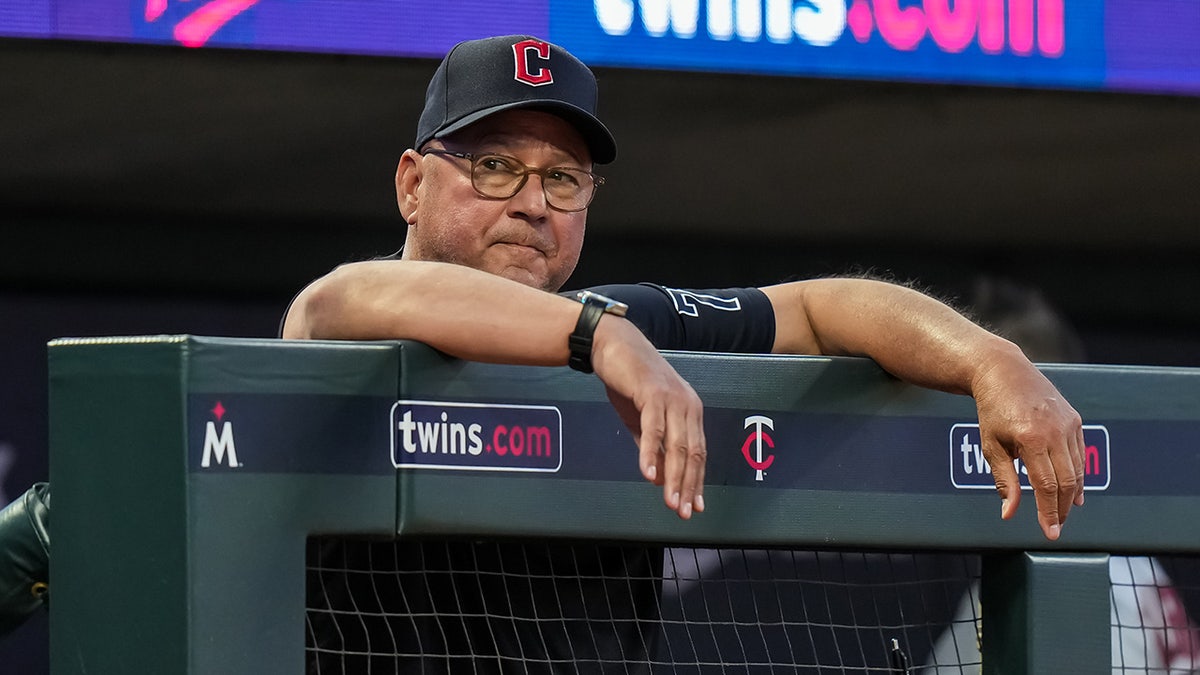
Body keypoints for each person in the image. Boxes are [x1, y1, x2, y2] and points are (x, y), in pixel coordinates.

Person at [282, 34, 1085, 673]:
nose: (533, 203)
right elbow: (339, 298)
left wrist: (992, 360)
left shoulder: (625, 317)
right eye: (495, 166)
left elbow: (818, 305)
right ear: (412, 184)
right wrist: (602, 338)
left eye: (565, 178)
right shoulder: (360, 323)